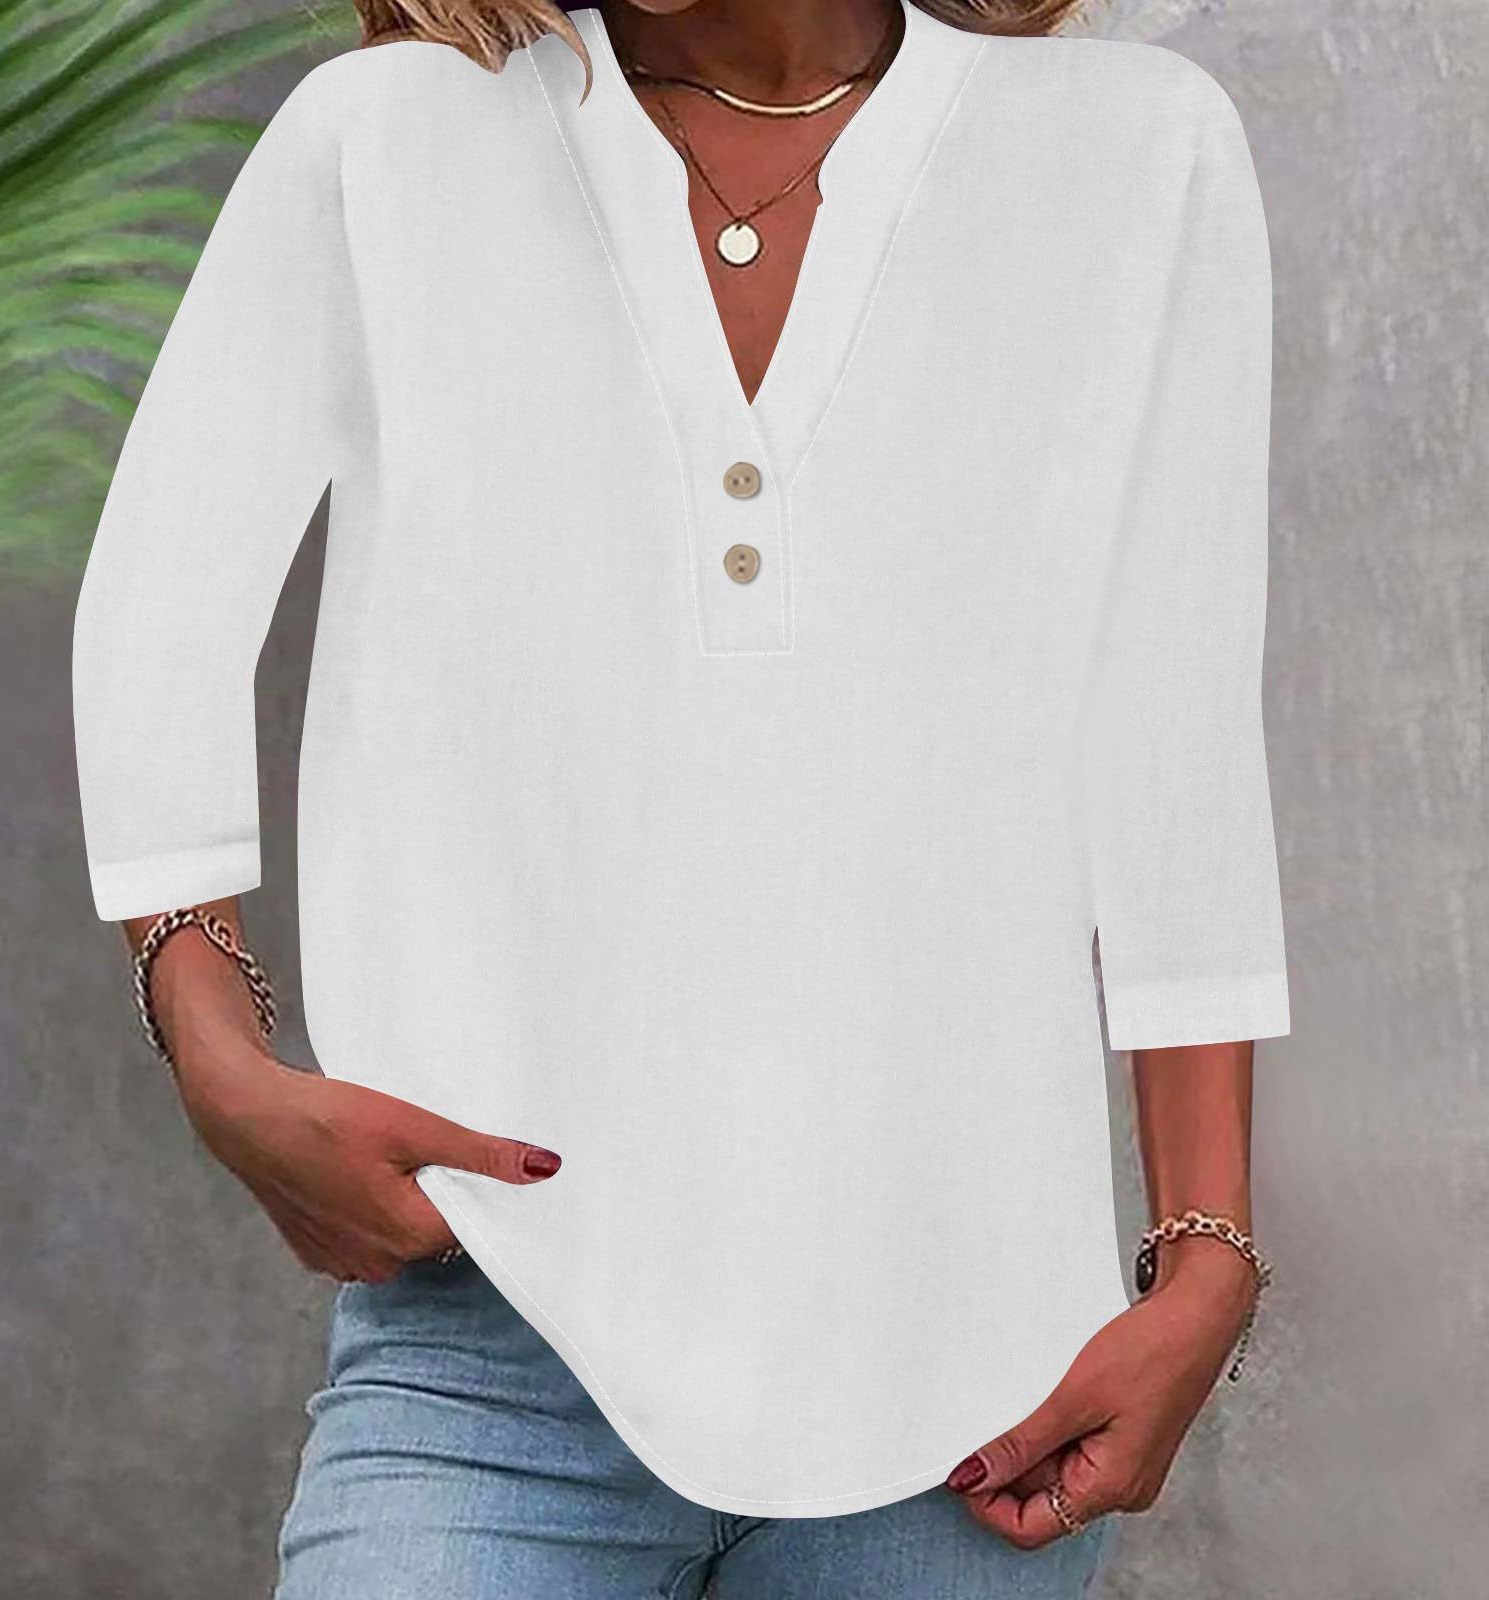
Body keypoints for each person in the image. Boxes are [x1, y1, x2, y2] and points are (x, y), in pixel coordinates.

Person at [71, 1, 1290, 1594]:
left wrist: (1206, 1255)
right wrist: (220, 1063)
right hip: (497, 1333)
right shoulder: (386, 139)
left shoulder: (1135, 152)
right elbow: (159, 608)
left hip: (973, 1388)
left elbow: (1172, 728)